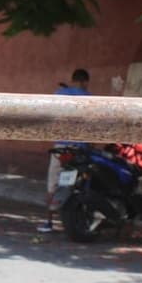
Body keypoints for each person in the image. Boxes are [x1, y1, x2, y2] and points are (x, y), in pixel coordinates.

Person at [39, 68, 91, 233]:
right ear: (84, 82)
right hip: (79, 149)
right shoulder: (89, 98)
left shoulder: (60, 93)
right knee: (84, 183)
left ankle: (48, 222)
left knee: (53, 183)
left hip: (61, 148)